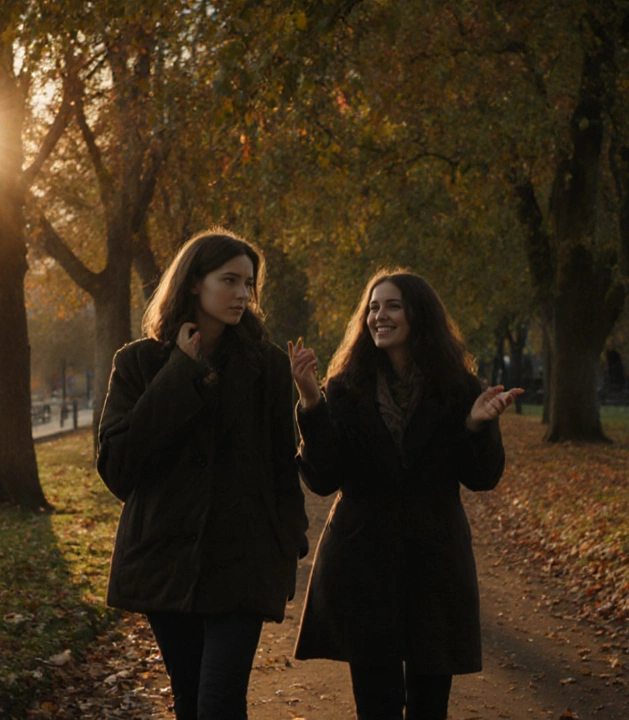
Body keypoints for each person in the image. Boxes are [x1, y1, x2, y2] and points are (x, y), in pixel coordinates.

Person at [287, 269, 521, 720]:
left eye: (392, 305)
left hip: (435, 565)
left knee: (430, 706)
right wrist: (312, 403)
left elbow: (482, 477)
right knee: (376, 706)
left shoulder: (459, 388)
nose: (379, 316)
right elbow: (322, 479)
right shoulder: (345, 387)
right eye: (373, 307)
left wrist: (477, 427)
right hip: (362, 565)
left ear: (420, 314)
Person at [97, 229, 309, 720]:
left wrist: (287, 543)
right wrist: (178, 373)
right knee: (191, 700)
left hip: (243, 561)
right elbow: (118, 467)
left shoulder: (269, 367)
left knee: (219, 701)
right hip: (165, 559)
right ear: (194, 282)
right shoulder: (139, 363)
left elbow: (282, 466)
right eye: (229, 280)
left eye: (248, 284)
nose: (242, 294)